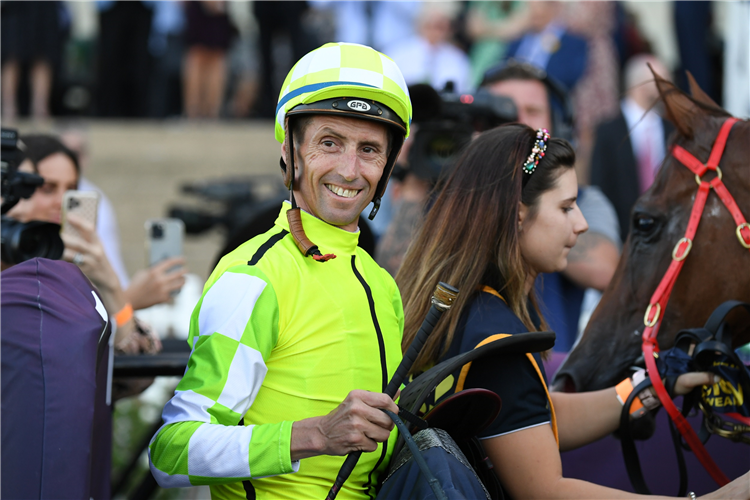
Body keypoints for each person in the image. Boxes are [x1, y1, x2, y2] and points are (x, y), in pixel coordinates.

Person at [396, 123, 750, 500]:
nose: (581, 224)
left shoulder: (456, 309)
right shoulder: (496, 338)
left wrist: (653, 384)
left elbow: (534, 421)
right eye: (566, 207)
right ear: (516, 215)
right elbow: (546, 491)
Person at [148, 42, 412, 498]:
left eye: (369, 149)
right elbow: (171, 452)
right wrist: (315, 436)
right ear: (290, 150)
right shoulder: (253, 277)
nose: (350, 171)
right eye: (329, 142)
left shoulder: (381, 282)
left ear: (387, 166)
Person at [481, 61, 620, 349]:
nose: (519, 123)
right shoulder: (446, 195)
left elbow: (604, 270)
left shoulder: (588, 200)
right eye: (503, 112)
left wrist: (547, 202)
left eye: (532, 112)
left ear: (557, 127)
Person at [6, 134, 163, 355]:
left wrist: (111, 285)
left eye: (72, 190)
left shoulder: (74, 265)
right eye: (47, 189)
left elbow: (136, 372)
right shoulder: (10, 264)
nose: (62, 202)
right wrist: (130, 299)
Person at [590, 54, 674, 243]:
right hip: (622, 235)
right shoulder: (608, 131)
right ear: (641, 84)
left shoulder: (671, 130)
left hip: (666, 234)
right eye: (662, 80)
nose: (669, 87)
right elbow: (600, 184)